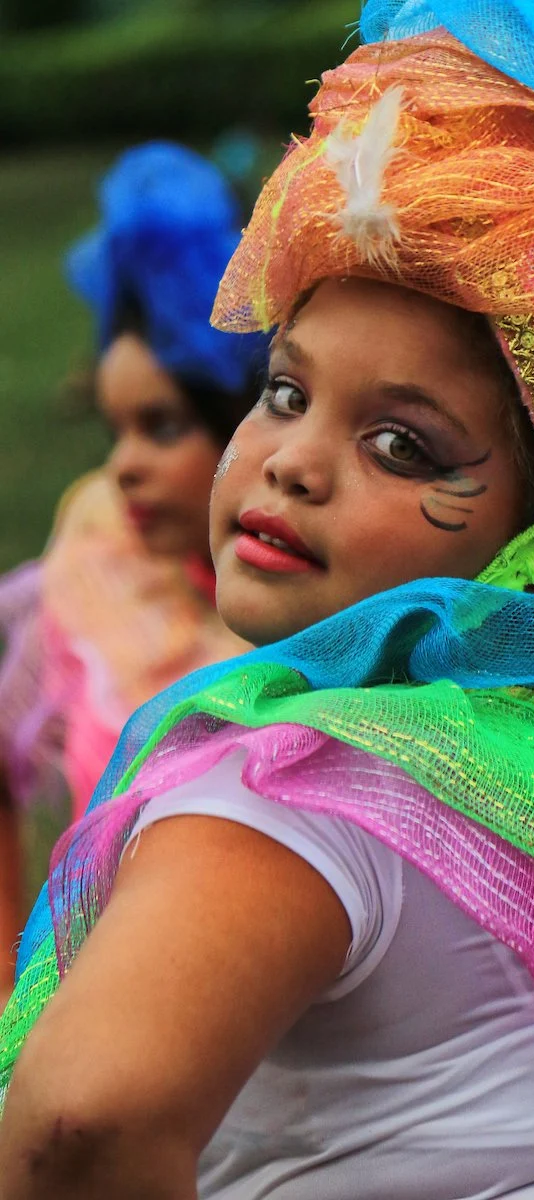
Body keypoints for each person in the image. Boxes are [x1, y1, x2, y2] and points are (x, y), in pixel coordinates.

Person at [1, 3, 534, 1197]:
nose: (292, 462)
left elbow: (78, 1129)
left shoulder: (293, 790)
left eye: (400, 445)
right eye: (282, 393)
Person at [0, 142, 267, 1004]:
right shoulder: (103, 552)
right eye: (114, 430)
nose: (124, 468)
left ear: (247, 425)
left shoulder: (320, 622)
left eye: (160, 427)